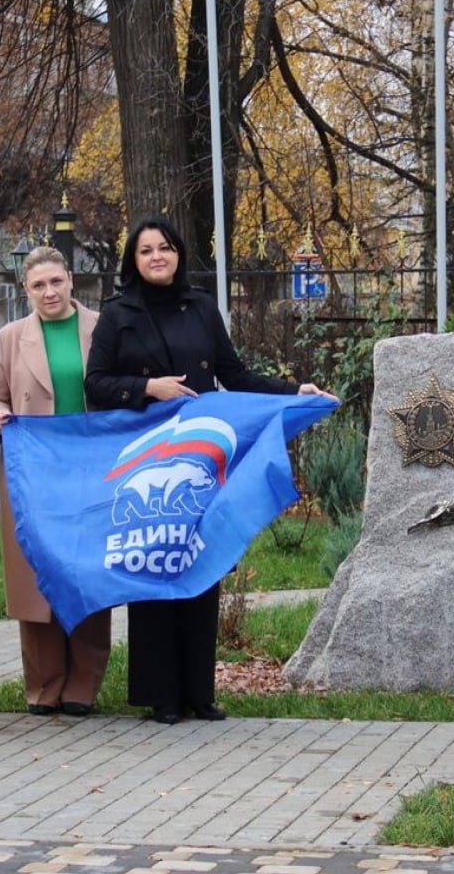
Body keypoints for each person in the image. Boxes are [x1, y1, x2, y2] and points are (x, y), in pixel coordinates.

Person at [84, 216, 334, 725]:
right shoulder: (116, 313)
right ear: (133, 260)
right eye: (146, 250)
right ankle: (161, 695)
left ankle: (199, 692)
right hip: (148, 455)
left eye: (165, 248)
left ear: (178, 254)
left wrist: (294, 391)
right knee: (156, 562)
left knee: (201, 560)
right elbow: (97, 383)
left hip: (200, 457)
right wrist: (148, 388)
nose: (157, 257)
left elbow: (233, 373)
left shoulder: (201, 306)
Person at [0, 246, 111, 716]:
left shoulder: (103, 327)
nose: (49, 291)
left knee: (86, 572)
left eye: (56, 281)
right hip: (33, 474)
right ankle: (43, 684)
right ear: (26, 290)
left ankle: (82, 685)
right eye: (38, 285)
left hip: (92, 470)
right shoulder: (10, 337)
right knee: (36, 575)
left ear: (71, 280)